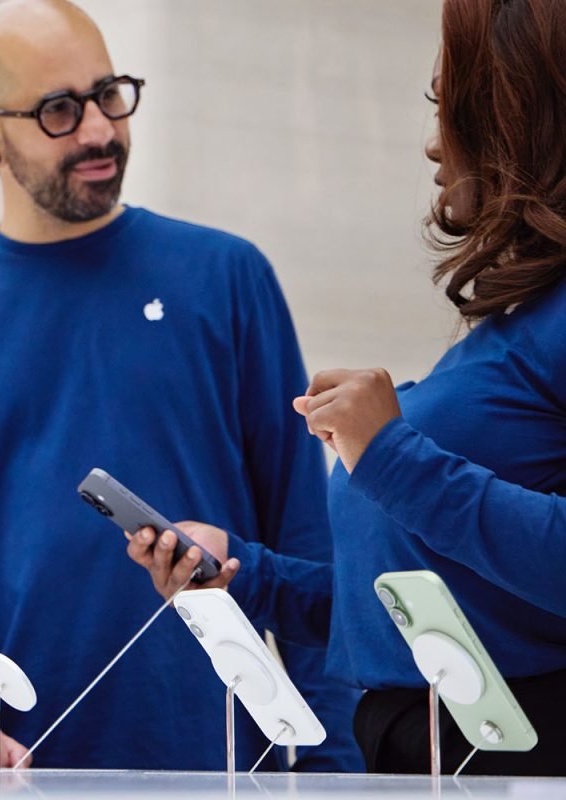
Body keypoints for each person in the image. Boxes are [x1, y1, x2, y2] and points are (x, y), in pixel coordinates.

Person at [0, 0, 359, 771]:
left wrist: (336, 768)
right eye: (59, 109)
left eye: (109, 94)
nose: (99, 129)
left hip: (218, 765)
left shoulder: (226, 279)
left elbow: (302, 532)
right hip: (3, 768)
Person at [127, 0, 566, 776]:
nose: (433, 144)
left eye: (447, 107)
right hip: (432, 762)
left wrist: (392, 456)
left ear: (521, 117)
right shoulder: (518, 327)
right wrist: (248, 576)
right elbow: (414, 611)